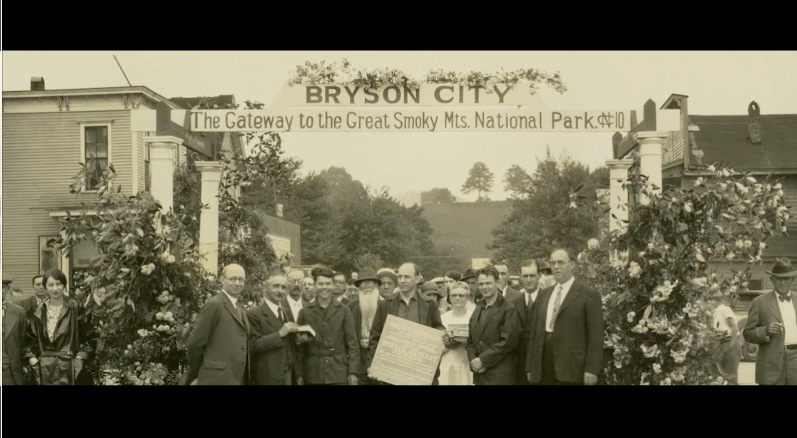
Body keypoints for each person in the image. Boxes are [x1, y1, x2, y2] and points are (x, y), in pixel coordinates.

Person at [526, 249, 603, 385]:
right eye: (553, 263)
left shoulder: (588, 295)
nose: (556, 266)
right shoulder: (544, 295)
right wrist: (530, 366)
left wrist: (592, 369)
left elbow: (596, 336)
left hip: (572, 368)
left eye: (560, 262)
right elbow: (534, 334)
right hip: (543, 368)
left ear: (572, 265)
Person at [367, 262, 446, 384]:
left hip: (420, 370)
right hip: (392, 370)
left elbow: (438, 328)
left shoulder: (429, 303)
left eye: (407, 277)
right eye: (400, 277)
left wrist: (442, 333)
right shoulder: (385, 304)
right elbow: (374, 338)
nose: (402, 281)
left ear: (418, 278)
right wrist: (373, 364)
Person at [25, 269, 105, 385]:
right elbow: (30, 339)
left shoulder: (75, 308)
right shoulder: (38, 313)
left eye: (58, 284)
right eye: (51, 285)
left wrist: (79, 358)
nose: (55, 288)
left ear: (64, 285)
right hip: (44, 371)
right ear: (45, 287)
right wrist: (33, 360)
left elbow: (90, 335)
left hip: (71, 368)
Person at [185, 264, 250, 385]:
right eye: (233, 279)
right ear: (222, 279)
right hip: (215, 378)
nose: (237, 283)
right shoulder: (215, 304)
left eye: (241, 279)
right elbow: (195, 343)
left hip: (234, 378)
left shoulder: (237, 307)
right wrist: (200, 371)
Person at [295, 265, 360, 385]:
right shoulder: (305, 312)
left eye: (328, 283)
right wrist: (299, 373)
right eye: (320, 284)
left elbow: (352, 344)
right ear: (315, 286)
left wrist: (353, 372)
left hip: (338, 373)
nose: (324, 287)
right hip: (313, 374)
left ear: (333, 285)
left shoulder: (344, 310)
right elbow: (300, 348)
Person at [743, 257, 797, 385]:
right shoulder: (760, 302)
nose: (782, 283)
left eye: (786, 279)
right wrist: (766, 330)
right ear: (772, 280)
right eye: (779, 278)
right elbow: (747, 333)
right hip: (770, 366)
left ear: (792, 280)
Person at [466, 266, 520, 385]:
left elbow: (508, 342)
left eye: (488, 283)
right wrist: (474, 362)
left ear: (497, 282)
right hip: (480, 375)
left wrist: (483, 360)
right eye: (481, 284)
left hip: (500, 376)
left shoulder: (508, 308)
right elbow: (470, 341)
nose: (484, 287)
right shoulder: (478, 308)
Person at [247, 273, 300, 385]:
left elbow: (289, 342)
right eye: (276, 286)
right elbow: (252, 345)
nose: (280, 290)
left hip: (287, 373)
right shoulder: (254, 314)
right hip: (267, 375)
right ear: (266, 289)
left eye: (283, 287)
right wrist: (279, 334)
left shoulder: (286, 311)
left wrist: (299, 339)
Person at [349, 267, 382, 385]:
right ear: (358, 287)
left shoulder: (385, 306)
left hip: (379, 355)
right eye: (363, 283)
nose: (367, 286)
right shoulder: (351, 308)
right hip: (359, 356)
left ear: (377, 285)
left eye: (370, 282)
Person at [512, 259, 541, 385]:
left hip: (544, 365)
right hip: (520, 365)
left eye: (532, 275)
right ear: (520, 277)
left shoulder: (548, 299)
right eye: (525, 276)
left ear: (539, 276)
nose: (529, 280)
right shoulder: (514, 303)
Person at [439, 281, 474, 385]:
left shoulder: (473, 317)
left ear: (467, 298)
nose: (457, 298)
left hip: (466, 363)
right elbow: (436, 344)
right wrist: (446, 344)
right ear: (449, 297)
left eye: (461, 295)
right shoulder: (443, 318)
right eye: (454, 295)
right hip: (447, 362)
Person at [711, 295, 741, 384]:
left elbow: (734, 328)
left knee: (730, 376)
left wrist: (730, 346)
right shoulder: (714, 312)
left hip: (728, 342)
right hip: (719, 344)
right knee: (720, 377)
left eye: (712, 299)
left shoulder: (724, 309)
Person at [3, 284, 28, 385]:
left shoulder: (19, 312)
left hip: (9, 370)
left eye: (2, 286)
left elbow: (24, 342)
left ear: (8, 289)